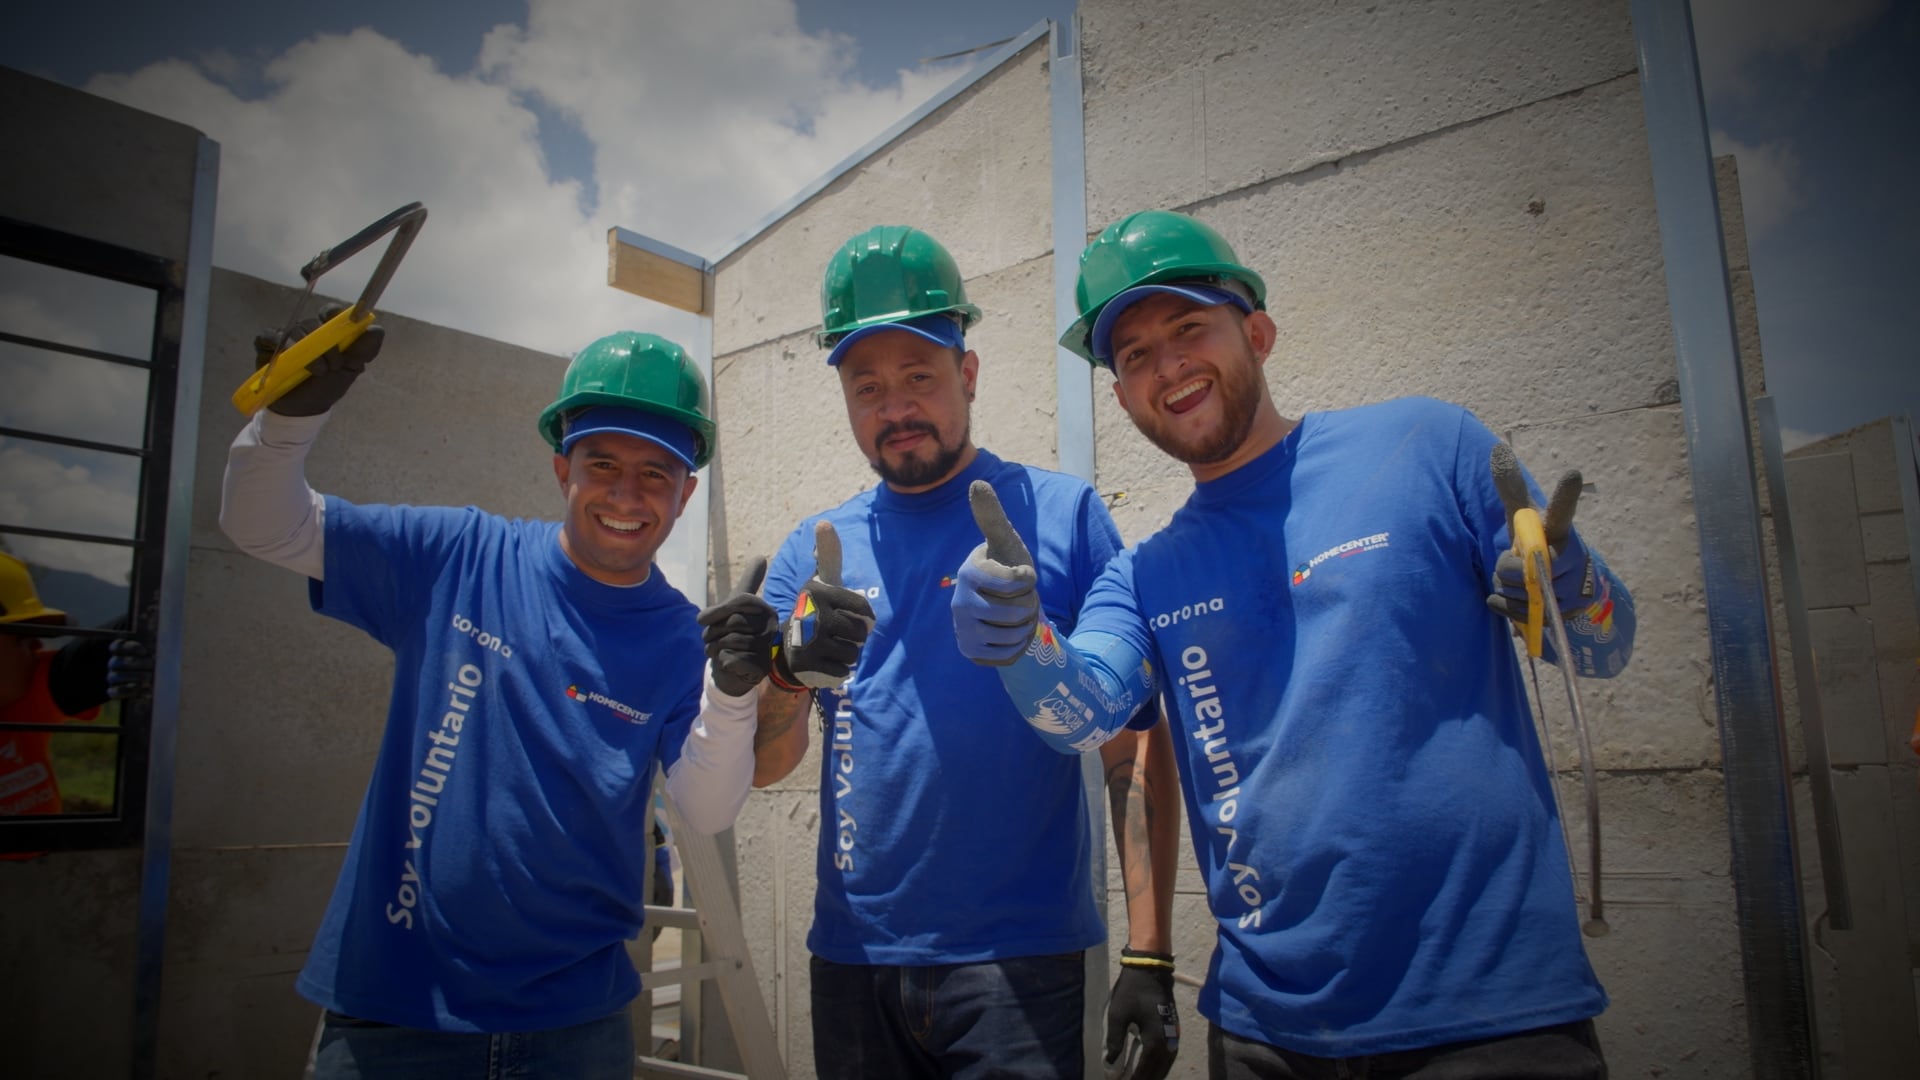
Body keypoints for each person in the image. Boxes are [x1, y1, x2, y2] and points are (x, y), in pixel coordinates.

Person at [953, 209, 1637, 1079]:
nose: (1167, 367)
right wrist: (1020, 646)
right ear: (1121, 397)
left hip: (1492, 1017)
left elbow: (1605, 649)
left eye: (1188, 327)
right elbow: (1080, 719)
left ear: (1259, 333)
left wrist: (1572, 589)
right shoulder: (1147, 574)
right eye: (1133, 357)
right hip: (1267, 1036)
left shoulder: (1429, 448)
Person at [220, 318, 826, 1077]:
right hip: (395, 1018)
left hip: (572, 1030)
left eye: (654, 474)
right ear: (560, 468)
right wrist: (288, 417)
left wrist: (734, 694)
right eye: (602, 463)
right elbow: (264, 525)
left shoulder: (681, 637)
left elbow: (704, 811)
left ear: (685, 493)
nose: (626, 495)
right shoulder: (458, 558)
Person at [730, 225, 1183, 1080]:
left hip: (1023, 965)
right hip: (855, 956)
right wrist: (783, 676)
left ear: (967, 375)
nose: (895, 406)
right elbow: (769, 762)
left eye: (919, 377)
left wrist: (1149, 950)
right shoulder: (815, 549)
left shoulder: (1062, 515)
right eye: (867, 386)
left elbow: (1132, 738)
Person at [1, 552, 152, 823]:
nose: (38, 647)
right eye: (23, 637)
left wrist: (147, 647)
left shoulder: (28, 692)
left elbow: (142, 622)